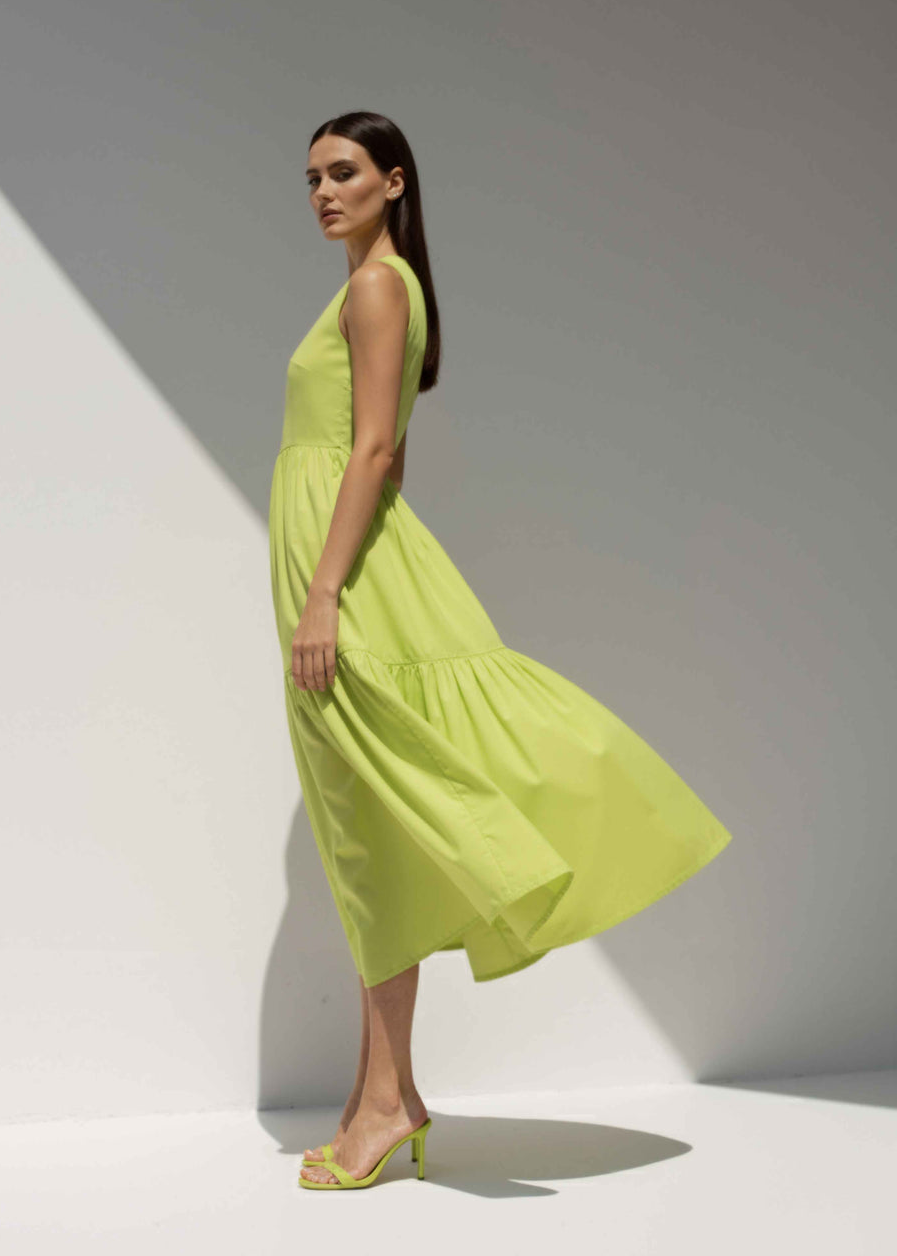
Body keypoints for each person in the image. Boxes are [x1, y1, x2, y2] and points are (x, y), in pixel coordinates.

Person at [268, 111, 732, 1189]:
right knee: (365, 837)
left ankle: (384, 1102)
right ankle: (382, 1095)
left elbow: (376, 446)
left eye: (342, 172)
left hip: (343, 582)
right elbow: (382, 455)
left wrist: (328, 591)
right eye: (309, 178)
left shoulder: (379, 288)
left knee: (373, 828)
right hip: (339, 567)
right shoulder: (366, 288)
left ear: (395, 181)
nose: (322, 192)